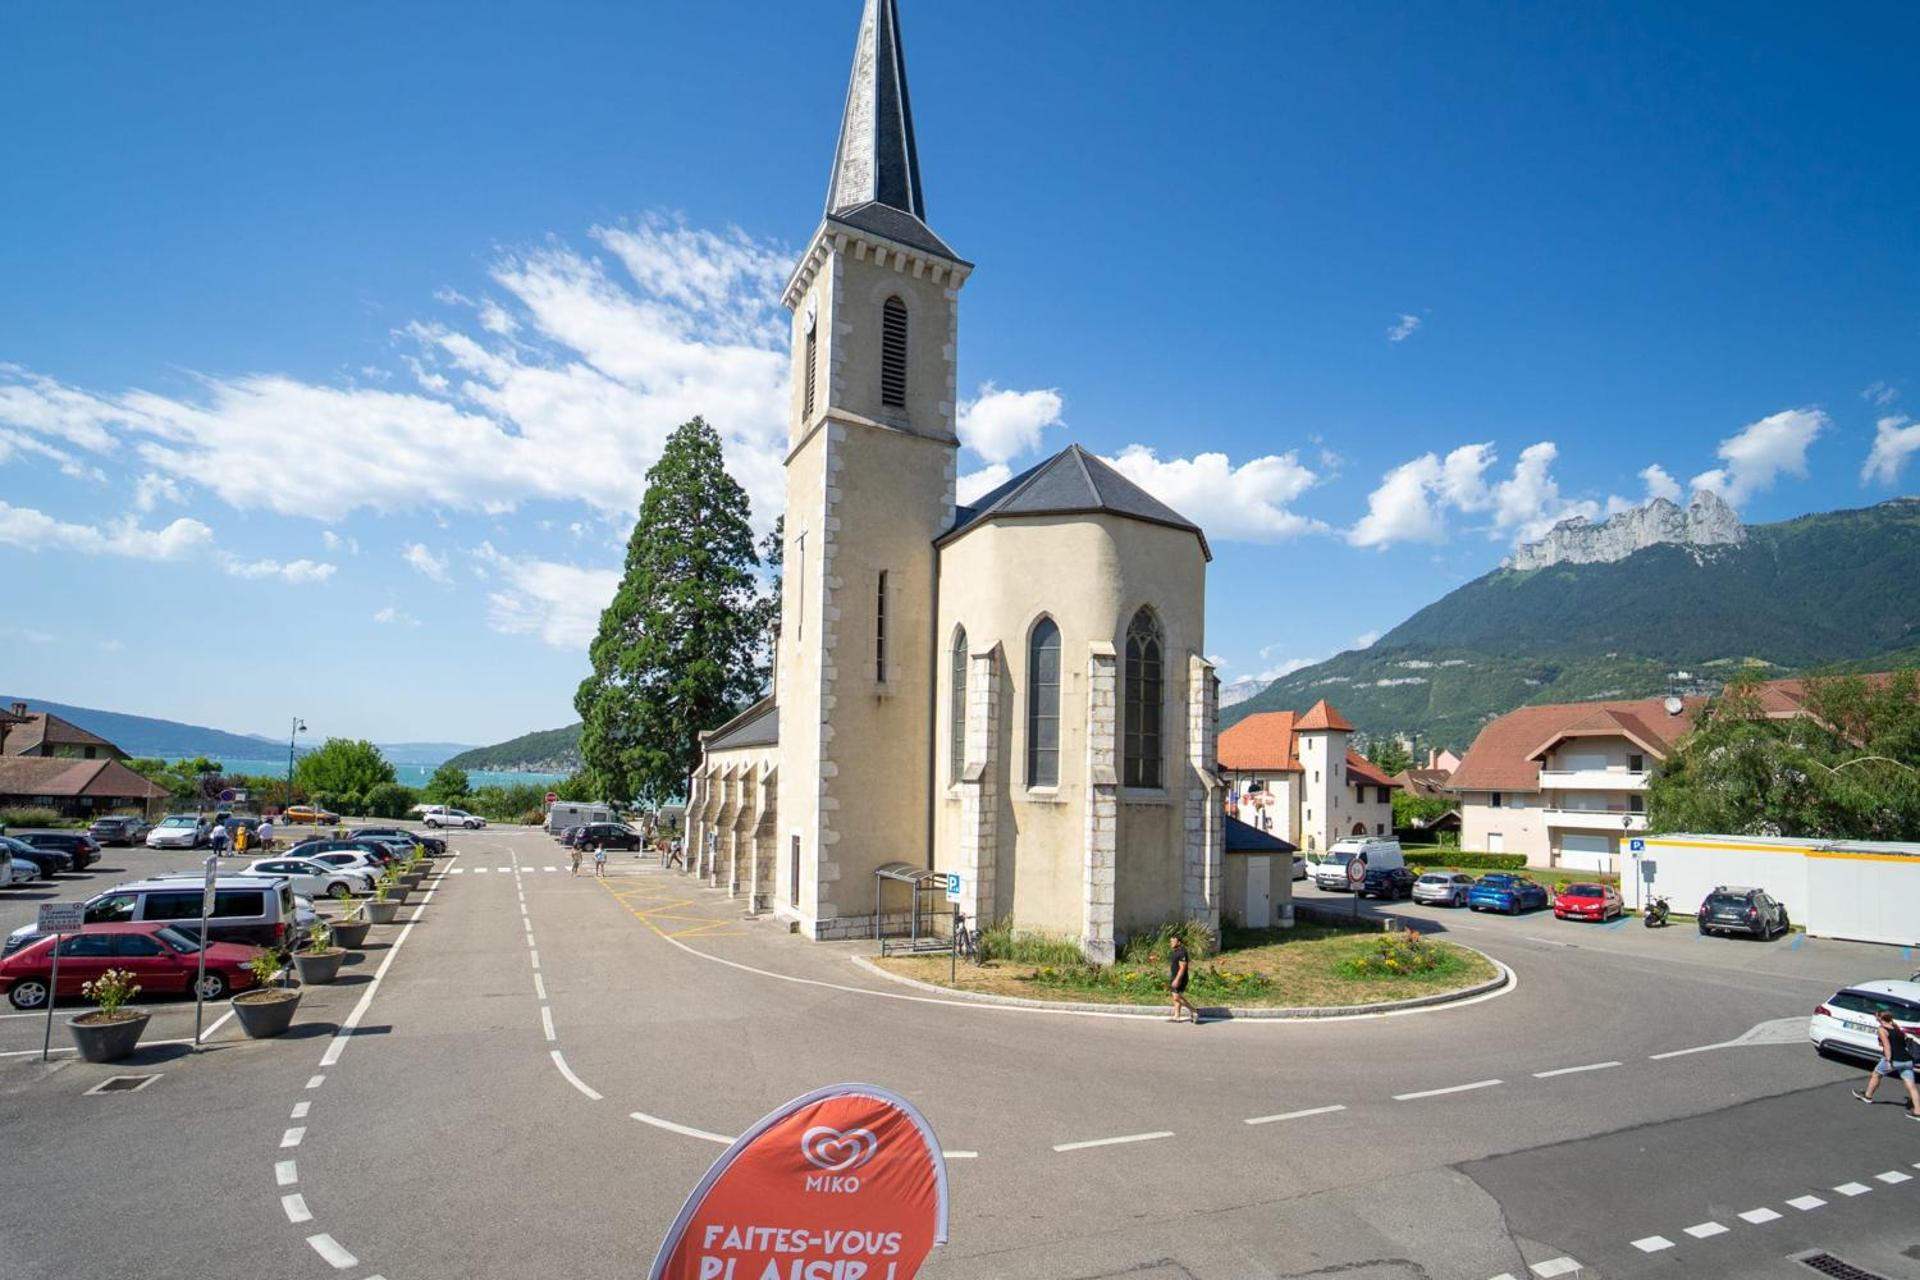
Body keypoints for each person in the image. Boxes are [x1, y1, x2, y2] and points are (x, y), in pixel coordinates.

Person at [1852, 1008, 1920, 1118]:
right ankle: (1918, 1112)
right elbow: (1904, 1041)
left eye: (1876, 1016)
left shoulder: (1882, 1029)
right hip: (1907, 1060)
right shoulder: (1896, 1027)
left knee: (1876, 1074)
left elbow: (1887, 1046)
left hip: (1894, 1059)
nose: (1875, 1017)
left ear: (1880, 1018)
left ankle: (1867, 1096)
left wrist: (1888, 1061)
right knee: (1911, 1086)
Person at [1168, 933, 1198, 1025]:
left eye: (1173, 941)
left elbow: (1182, 967)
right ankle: (1177, 1016)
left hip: (1180, 978)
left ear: (1179, 942)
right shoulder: (1176, 951)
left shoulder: (1182, 952)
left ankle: (1193, 1010)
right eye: (1171, 941)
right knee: (1176, 996)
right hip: (1175, 976)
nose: (1171, 943)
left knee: (1176, 997)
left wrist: (1177, 979)